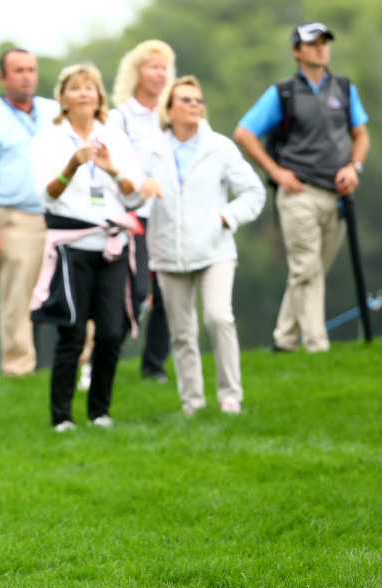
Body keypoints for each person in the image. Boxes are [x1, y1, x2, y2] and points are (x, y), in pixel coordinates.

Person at [233, 21, 370, 354]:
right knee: (306, 268)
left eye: (325, 42)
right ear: (297, 51)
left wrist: (354, 167)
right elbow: (245, 133)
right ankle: (316, 345)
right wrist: (277, 173)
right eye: (313, 43)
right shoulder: (283, 92)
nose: (321, 47)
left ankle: (284, 338)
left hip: (337, 195)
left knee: (310, 271)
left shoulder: (343, 88)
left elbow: (361, 134)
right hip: (298, 192)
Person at [138, 76, 266, 416]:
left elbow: (254, 193)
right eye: (186, 100)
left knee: (219, 318)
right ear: (169, 109)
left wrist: (225, 219)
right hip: (168, 254)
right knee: (182, 333)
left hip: (215, 251)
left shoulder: (220, 147)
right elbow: (130, 195)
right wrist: (140, 186)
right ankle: (192, 403)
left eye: (199, 100)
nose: (195, 105)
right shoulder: (149, 149)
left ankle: (229, 397)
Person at [29, 64, 143, 431]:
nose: (83, 94)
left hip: (111, 246)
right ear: (62, 98)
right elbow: (47, 196)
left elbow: (136, 196)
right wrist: (71, 166)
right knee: (73, 333)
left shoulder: (116, 139)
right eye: (75, 88)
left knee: (111, 332)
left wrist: (111, 169)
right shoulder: (48, 139)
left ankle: (100, 412)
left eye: (90, 87)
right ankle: (62, 416)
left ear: (99, 97)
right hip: (71, 245)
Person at [0, 48, 59, 376]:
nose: (26, 76)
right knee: (18, 296)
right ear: (2, 77)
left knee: (74, 288)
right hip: (15, 217)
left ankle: (82, 364)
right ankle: (19, 369)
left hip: (59, 214)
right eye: (18, 70)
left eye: (31, 69)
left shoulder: (54, 112)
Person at [108, 40, 176, 384]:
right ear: (136, 72)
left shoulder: (171, 115)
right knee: (134, 293)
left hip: (168, 214)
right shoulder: (119, 117)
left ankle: (153, 366)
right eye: (153, 66)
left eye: (164, 67)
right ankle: (104, 357)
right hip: (134, 214)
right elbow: (115, 165)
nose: (160, 74)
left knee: (168, 290)